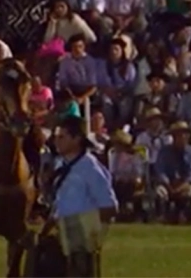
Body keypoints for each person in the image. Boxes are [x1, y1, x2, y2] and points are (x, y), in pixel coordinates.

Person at [41, 115, 117, 278]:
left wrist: (82, 227)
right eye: (56, 137)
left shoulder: (90, 167)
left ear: (77, 139)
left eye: (62, 137)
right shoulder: (60, 164)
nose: (57, 141)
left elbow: (110, 207)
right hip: (60, 238)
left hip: (82, 243)